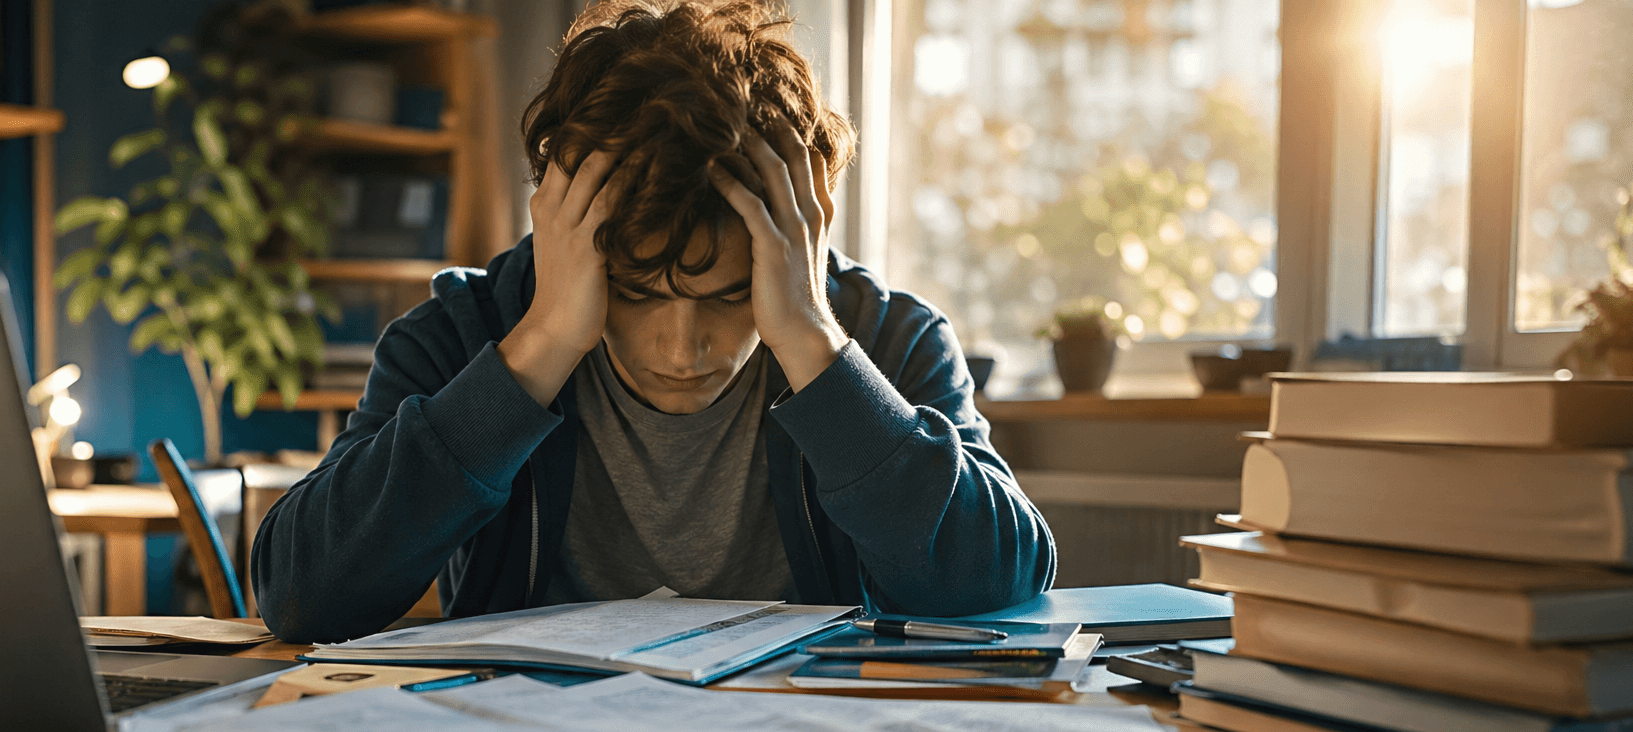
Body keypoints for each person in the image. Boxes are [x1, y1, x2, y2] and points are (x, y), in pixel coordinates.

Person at [252, 0, 1054, 643]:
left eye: (731, 293)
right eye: (634, 293)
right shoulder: (462, 335)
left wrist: (813, 341)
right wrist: (540, 347)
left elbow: (992, 584)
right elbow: (301, 597)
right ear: (563, 228)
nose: (683, 348)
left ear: (804, 230)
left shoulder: (886, 339)